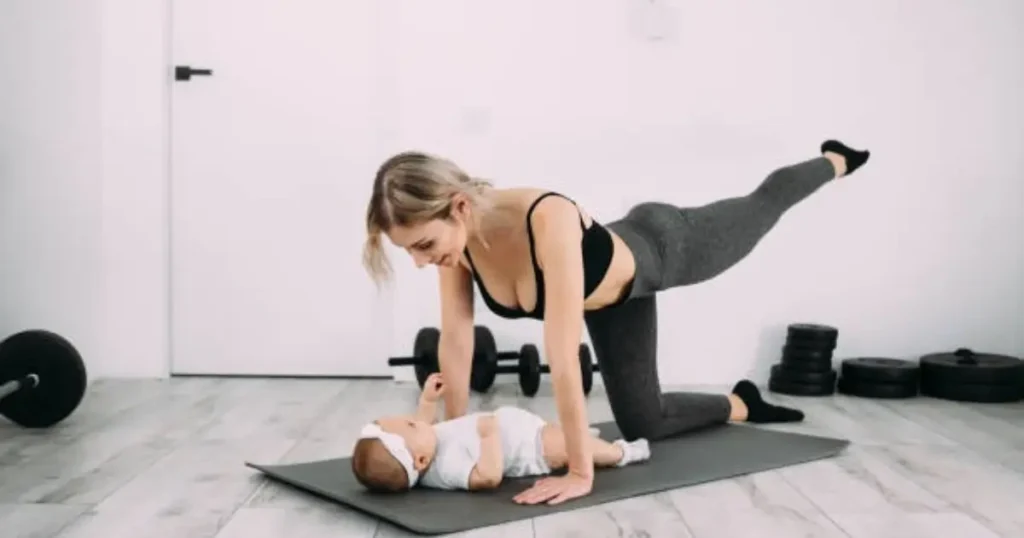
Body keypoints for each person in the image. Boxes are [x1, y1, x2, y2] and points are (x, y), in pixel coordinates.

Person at [361, 138, 871, 505]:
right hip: (613, 306)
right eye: (410, 252)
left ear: (460, 207)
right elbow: (456, 340)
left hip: (666, 246)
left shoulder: (546, 216)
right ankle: (741, 402)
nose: (422, 262)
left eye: (424, 246)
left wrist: (582, 472)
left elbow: (562, 354)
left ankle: (833, 161)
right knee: (643, 423)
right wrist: (455, 432)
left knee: (760, 207)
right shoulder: (459, 250)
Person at [351, 373, 652, 492]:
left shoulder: (424, 447)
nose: (414, 420)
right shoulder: (446, 468)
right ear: (419, 461)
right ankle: (621, 453)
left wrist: (428, 401)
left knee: (560, 432)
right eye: (411, 424)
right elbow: (488, 476)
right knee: (570, 445)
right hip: (531, 449)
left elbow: (423, 426)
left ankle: (581, 436)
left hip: (523, 429)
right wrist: (488, 437)